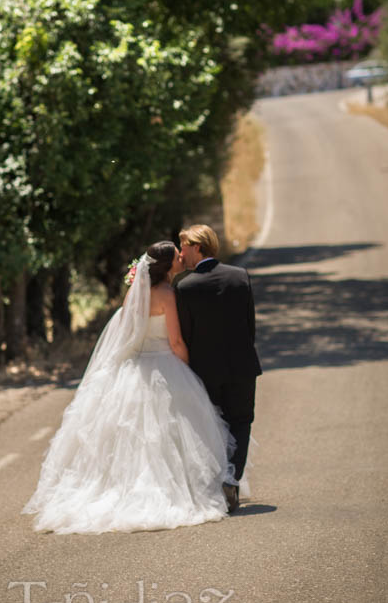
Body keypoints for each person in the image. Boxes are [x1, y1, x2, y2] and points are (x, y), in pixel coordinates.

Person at [23, 241, 237, 534]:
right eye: (177, 256)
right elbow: (175, 342)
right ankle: (170, 490)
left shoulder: (134, 295)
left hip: (135, 366)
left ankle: (120, 488)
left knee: (133, 437)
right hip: (165, 364)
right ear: (168, 265)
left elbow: (126, 334)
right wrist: (189, 370)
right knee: (169, 434)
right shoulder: (167, 294)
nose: (180, 258)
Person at [175, 224, 261, 512]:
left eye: (183, 245)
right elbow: (250, 325)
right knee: (242, 421)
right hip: (242, 364)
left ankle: (213, 485)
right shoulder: (239, 276)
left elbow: (185, 334)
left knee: (212, 424)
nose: (181, 252)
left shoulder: (184, 287)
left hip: (205, 370)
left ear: (197, 247)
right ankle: (231, 479)